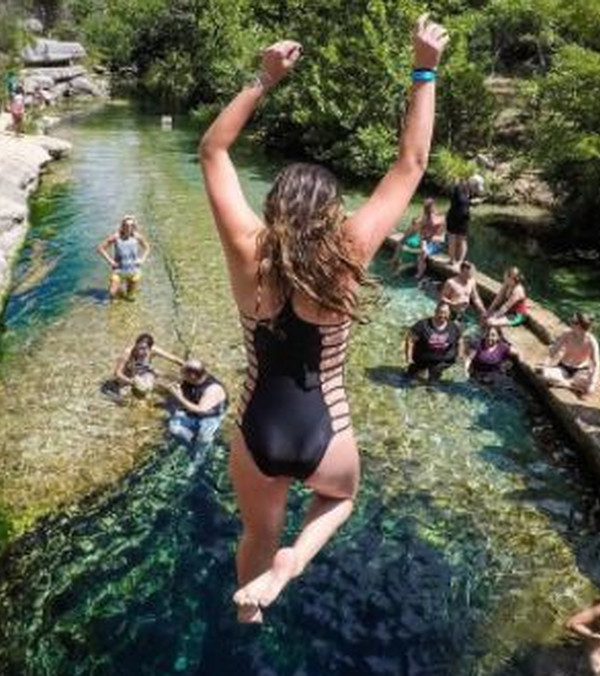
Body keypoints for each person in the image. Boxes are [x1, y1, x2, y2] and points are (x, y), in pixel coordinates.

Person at [198, 17, 448, 623]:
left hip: (258, 430)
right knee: (339, 498)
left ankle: (248, 613)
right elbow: (412, 164)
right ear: (333, 212)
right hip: (325, 430)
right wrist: (424, 69)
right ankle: (296, 561)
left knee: (256, 535)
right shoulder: (350, 250)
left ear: (273, 206)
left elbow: (212, 150)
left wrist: (264, 78)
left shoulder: (247, 248)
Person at [165, 360, 228, 473]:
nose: (181, 376)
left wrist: (178, 396)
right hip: (194, 411)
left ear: (193, 376)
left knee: (203, 440)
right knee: (174, 428)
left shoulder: (212, 389)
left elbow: (200, 410)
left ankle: (198, 460)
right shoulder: (191, 380)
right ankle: (192, 441)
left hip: (210, 416)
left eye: (184, 374)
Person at [537, 312, 600, 395]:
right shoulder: (566, 334)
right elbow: (553, 351)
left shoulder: (591, 341)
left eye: (573, 322)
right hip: (564, 367)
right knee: (544, 375)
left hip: (581, 370)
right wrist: (545, 364)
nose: (570, 323)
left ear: (580, 325)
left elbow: (596, 363)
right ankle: (570, 385)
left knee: (589, 383)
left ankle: (563, 382)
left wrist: (592, 383)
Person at [405, 302, 463, 382]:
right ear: (435, 312)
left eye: (445, 313)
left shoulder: (453, 327)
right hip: (421, 359)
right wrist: (409, 358)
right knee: (409, 379)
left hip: (441, 362)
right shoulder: (423, 325)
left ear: (449, 314)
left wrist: (459, 356)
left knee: (433, 383)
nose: (442, 315)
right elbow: (410, 340)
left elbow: (460, 341)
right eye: (440, 312)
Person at [111, 333, 182, 398]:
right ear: (136, 344)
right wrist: (132, 382)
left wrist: (187, 366)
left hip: (145, 373)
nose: (140, 351)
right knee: (125, 398)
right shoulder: (127, 353)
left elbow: (174, 359)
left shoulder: (153, 350)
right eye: (138, 347)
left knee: (169, 383)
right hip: (129, 378)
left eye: (144, 349)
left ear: (150, 348)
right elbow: (117, 373)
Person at [98, 215, 152, 301]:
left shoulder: (137, 236)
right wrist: (111, 262)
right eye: (126, 225)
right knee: (112, 294)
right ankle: (118, 294)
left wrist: (142, 260)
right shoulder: (116, 237)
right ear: (122, 226)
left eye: (131, 225)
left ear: (134, 226)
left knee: (130, 297)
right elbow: (100, 248)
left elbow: (147, 247)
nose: (129, 228)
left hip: (134, 271)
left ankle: (126, 302)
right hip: (119, 270)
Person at [391, 198, 444, 278]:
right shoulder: (423, 218)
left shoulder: (438, 220)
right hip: (422, 240)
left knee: (422, 253)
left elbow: (441, 238)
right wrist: (407, 236)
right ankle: (395, 261)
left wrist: (429, 237)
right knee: (405, 243)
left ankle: (419, 274)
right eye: (426, 208)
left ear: (433, 208)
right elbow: (415, 229)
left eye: (428, 208)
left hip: (433, 243)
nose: (426, 211)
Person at [445, 176, 480, 269]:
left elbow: (465, 205)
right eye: (476, 187)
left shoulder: (470, 191)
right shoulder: (460, 187)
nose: (476, 190)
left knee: (462, 240)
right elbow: (461, 201)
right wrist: (471, 202)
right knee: (452, 239)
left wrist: (472, 203)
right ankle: (451, 260)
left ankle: (460, 262)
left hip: (463, 219)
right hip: (453, 217)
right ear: (472, 183)